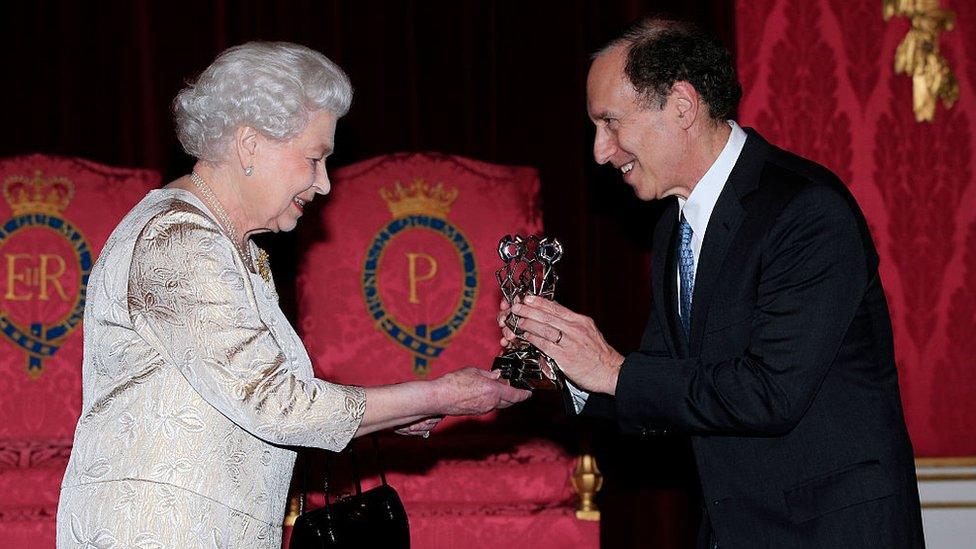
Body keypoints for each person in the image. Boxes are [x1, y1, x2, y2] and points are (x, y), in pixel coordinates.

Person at [56, 41, 530, 548]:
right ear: (249, 145)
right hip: (158, 530)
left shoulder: (229, 244)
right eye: (314, 158)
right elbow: (275, 403)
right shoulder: (179, 241)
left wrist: (401, 411)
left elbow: (250, 403)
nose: (324, 183)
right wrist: (441, 394)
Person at [501, 19, 924, 548]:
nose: (599, 151)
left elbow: (771, 393)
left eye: (610, 123)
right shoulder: (674, 226)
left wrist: (611, 369)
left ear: (682, 104)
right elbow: (665, 386)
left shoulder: (806, 211)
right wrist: (561, 365)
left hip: (830, 532)